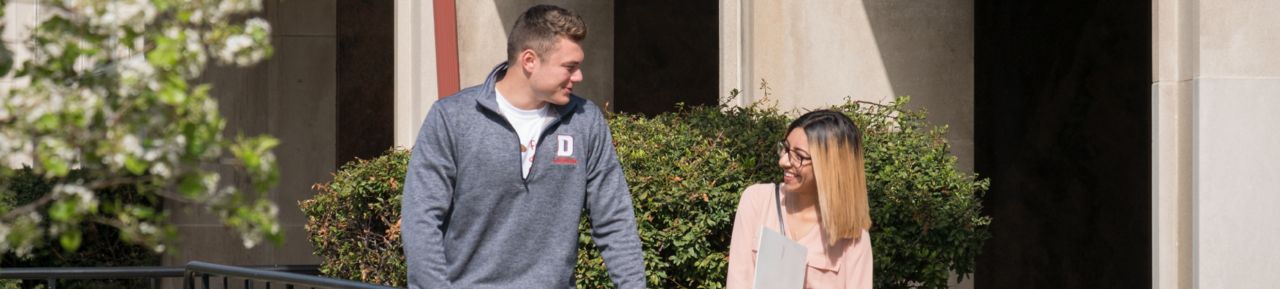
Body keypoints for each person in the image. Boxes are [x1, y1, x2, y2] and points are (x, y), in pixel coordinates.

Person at [401, 5, 646, 289]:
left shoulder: (585, 122)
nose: (578, 77)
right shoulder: (452, 118)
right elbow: (421, 221)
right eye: (569, 67)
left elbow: (615, 221)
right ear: (529, 60)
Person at [725, 110, 874, 288]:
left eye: (800, 156)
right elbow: (738, 281)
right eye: (786, 148)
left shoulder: (852, 236)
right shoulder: (757, 201)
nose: (784, 161)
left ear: (829, 167)